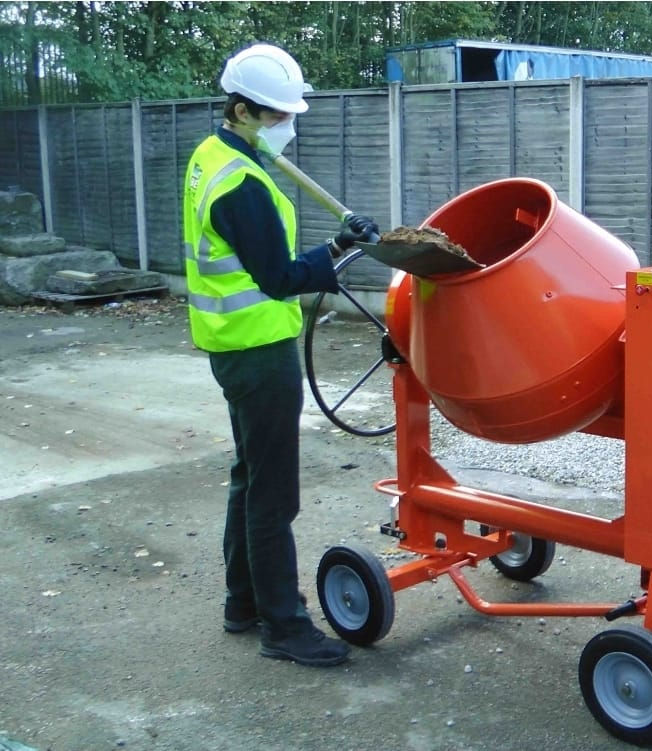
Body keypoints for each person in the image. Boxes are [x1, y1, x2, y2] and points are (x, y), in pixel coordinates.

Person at [182, 42, 377, 667]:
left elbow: (262, 261)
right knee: (273, 496)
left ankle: (242, 603)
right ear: (240, 109)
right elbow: (279, 276)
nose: (286, 127)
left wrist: (332, 245)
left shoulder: (213, 156)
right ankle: (283, 627)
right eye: (276, 116)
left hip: (232, 349)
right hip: (260, 353)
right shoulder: (240, 183)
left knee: (249, 477)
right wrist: (341, 249)